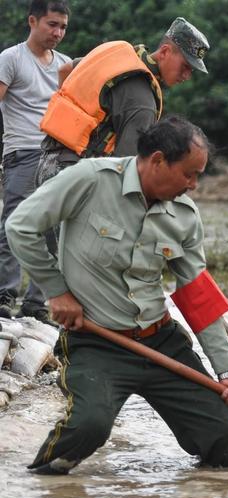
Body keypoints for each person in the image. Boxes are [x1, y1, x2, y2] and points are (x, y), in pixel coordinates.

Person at [6, 116, 228, 475]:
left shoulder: (184, 215)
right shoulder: (89, 179)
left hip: (160, 343)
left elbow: (198, 296)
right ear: (156, 161)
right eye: (189, 174)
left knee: (224, 442)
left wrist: (227, 371)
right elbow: (20, 226)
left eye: (199, 175)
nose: (194, 185)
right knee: (87, 429)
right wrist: (56, 291)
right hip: (97, 342)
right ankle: (46, 485)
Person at [35, 16, 209, 187]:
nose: (187, 76)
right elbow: (124, 167)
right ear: (164, 52)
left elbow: (64, 69)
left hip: (45, 164)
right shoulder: (144, 103)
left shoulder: (115, 53)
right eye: (185, 66)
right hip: (75, 176)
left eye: (191, 70)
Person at [0, 0, 70, 321]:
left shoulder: (66, 65)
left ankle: (36, 303)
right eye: (52, 24)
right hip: (23, 151)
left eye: (63, 27)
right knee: (15, 223)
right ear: (32, 21)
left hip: (57, 154)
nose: (58, 33)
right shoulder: (11, 59)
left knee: (53, 230)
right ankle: (5, 294)